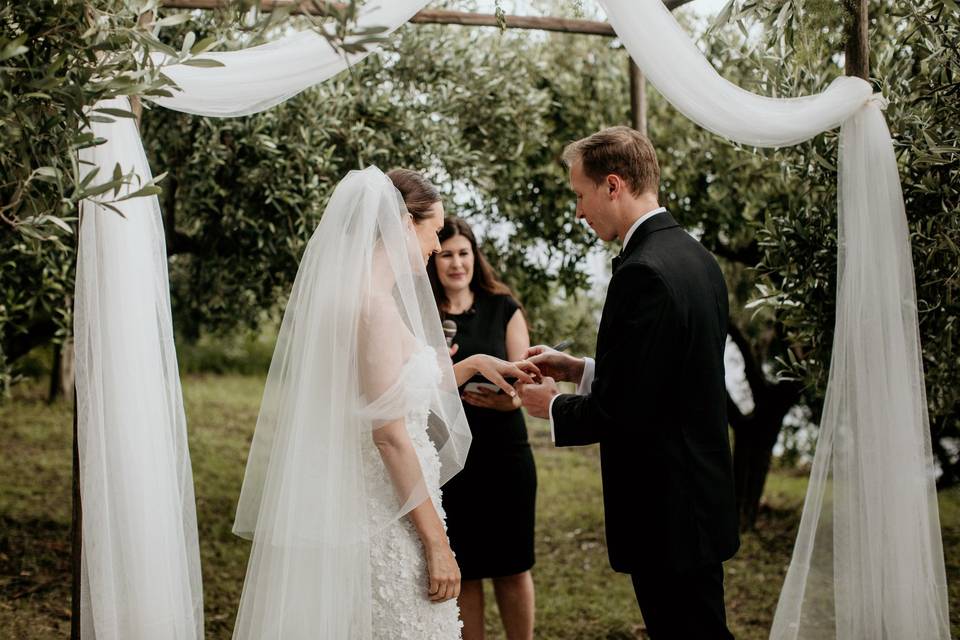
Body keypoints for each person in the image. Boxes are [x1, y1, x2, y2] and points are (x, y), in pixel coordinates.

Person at [231, 166, 538, 640]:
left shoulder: (365, 298)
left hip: (391, 501)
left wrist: (474, 363)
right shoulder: (373, 307)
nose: (437, 248)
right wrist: (437, 542)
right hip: (391, 514)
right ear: (402, 224)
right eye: (434, 232)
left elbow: (398, 392)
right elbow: (390, 435)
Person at [517, 127, 740, 640]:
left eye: (580, 194)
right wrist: (581, 370)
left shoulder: (643, 271)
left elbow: (625, 411)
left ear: (613, 185)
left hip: (667, 512)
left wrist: (549, 406)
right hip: (696, 501)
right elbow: (665, 378)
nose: (578, 211)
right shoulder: (696, 258)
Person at [427, 217, 537, 640]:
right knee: (465, 569)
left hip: (504, 453)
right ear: (435, 262)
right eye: (447, 254)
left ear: (476, 256)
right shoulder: (424, 315)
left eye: (464, 253)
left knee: (512, 567)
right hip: (448, 458)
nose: (457, 263)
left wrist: (508, 399)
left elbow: (528, 377)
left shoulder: (503, 306)